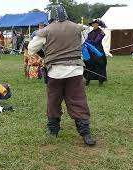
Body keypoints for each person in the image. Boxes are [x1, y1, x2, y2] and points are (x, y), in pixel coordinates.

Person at [28, 5, 96, 146]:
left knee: (54, 101)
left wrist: (44, 49)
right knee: (78, 101)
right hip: (76, 72)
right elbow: (82, 42)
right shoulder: (77, 28)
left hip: (55, 73)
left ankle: (53, 131)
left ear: (50, 17)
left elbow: (31, 49)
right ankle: (86, 133)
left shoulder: (46, 30)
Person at [84, 19, 107, 86]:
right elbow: (87, 40)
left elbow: (96, 41)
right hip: (90, 51)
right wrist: (85, 41)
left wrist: (87, 41)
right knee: (88, 64)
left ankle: (101, 81)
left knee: (100, 65)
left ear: (97, 24)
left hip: (98, 51)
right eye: (92, 23)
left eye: (94, 23)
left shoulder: (101, 32)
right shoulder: (90, 33)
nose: (93, 24)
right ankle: (87, 80)